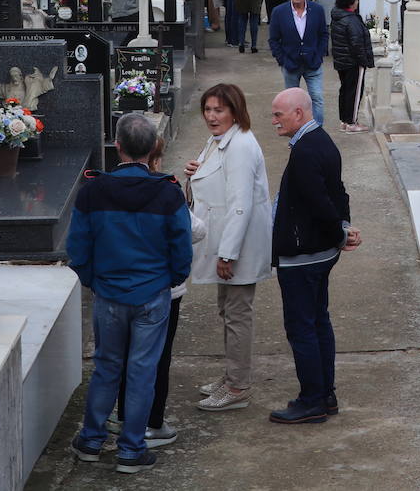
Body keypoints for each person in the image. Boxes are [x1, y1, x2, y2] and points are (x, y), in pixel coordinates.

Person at [67, 113, 192, 474]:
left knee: (107, 367)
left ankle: (91, 441)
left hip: (109, 292)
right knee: (141, 371)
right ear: (153, 148)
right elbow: (181, 246)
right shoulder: (168, 192)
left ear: (117, 146)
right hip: (152, 292)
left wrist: (94, 279)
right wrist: (171, 278)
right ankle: (131, 449)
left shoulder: (93, 190)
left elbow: (79, 245)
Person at [267, 88, 361, 425]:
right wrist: (344, 229)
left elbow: (321, 201)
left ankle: (311, 401)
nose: (274, 120)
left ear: (298, 113)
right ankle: (325, 394)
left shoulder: (306, 151)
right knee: (319, 322)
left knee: (302, 327)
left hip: (303, 256)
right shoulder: (321, 141)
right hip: (319, 253)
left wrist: (339, 232)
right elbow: (339, 192)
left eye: (279, 114)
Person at [111, 138, 207, 449]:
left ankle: (125, 416)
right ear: (157, 157)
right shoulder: (167, 190)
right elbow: (195, 230)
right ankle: (151, 423)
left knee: (126, 355)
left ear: (118, 147)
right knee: (156, 358)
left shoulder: (105, 187)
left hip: (120, 286)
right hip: (162, 289)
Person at [185, 84, 274, 412]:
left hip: (237, 246)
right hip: (225, 242)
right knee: (228, 311)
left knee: (237, 315)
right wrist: (193, 174)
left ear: (235, 111)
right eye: (207, 110)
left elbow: (240, 204)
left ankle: (237, 386)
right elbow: (211, 182)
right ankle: (232, 375)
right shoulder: (220, 139)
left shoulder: (240, 146)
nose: (211, 116)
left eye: (218, 110)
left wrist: (228, 254)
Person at [268, 0, 329, 125]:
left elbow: (323, 34)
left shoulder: (317, 10)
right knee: (292, 103)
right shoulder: (279, 12)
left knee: (317, 98)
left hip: (313, 62)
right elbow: (274, 39)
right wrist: (281, 59)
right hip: (290, 63)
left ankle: (316, 133)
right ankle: (295, 133)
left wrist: (319, 54)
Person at [329, 0, 374, 134]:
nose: (357, 2)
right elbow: (356, 43)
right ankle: (351, 122)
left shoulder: (338, 16)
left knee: (346, 91)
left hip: (342, 61)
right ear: (350, 2)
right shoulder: (351, 20)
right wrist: (364, 61)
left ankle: (344, 120)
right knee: (354, 93)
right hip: (353, 62)